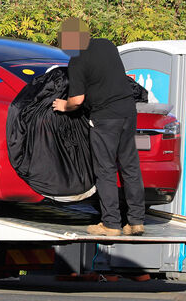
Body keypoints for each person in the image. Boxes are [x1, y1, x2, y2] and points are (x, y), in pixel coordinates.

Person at [51, 17, 145, 236]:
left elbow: (77, 100)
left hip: (105, 118)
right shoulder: (107, 45)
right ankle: (136, 221)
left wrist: (63, 105)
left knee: (105, 170)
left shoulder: (77, 61)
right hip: (128, 112)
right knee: (130, 166)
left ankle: (111, 224)